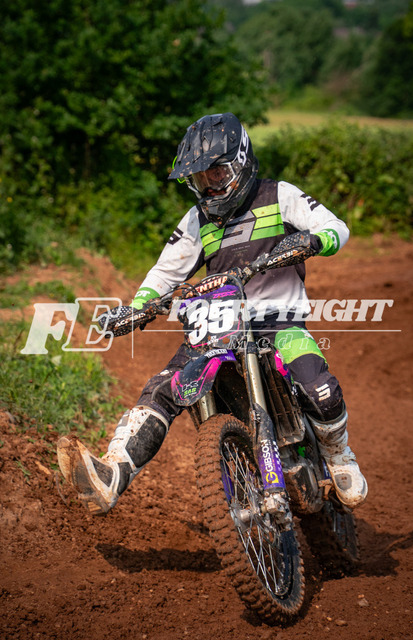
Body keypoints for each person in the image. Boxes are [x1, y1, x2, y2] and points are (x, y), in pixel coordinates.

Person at [57, 112, 367, 515]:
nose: (211, 184)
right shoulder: (197, 220)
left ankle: (339, 455)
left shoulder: (278, 195)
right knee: (163, 387)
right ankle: (113, 473)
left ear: (241, 161)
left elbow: (335, 227)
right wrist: (137, 308)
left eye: (218, 172)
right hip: (218, 323)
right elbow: (165, 272)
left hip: (278, 320)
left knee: (317, 385)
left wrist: (313, 240)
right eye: (202, 178)